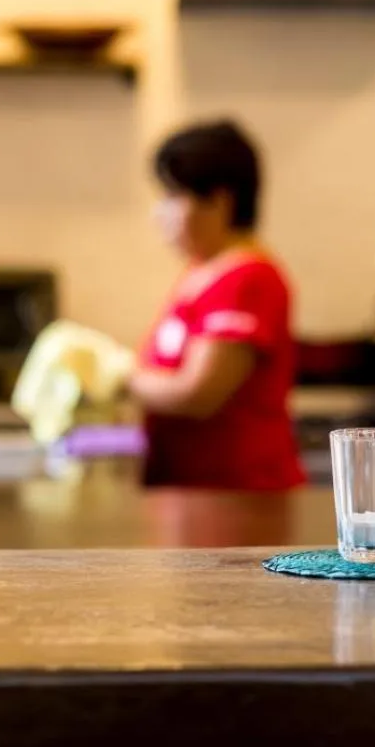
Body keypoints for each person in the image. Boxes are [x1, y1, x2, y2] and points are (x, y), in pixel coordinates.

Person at [128, 120, 306, 491]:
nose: (159, 214)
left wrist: (120, 378)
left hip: (239, 494)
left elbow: (199, 394)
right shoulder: (202, 269)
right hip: (192, 490)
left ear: (219, 201)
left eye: (173, 196)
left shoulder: (248, 279)